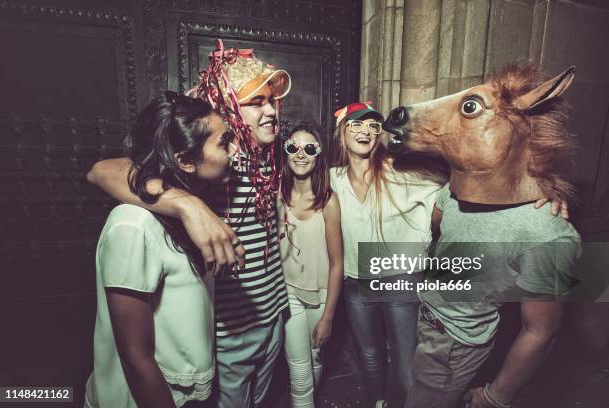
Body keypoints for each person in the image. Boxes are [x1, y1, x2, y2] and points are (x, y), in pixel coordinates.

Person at [86, 41, 292, 408]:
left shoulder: (273, 154)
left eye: (271, 101)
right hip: (231, 326)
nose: (271, 110)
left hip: (273, 310)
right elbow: (102, 171)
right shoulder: (212, 161)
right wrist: (188, 204)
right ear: (228, 108)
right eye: (255, 102)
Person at [84, 92, 237, 407]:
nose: (234, 151)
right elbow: (135, 357)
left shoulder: (187, 212)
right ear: (184, 161)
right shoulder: (132, 224)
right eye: (224, 143)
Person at [330, 102, 446, 408]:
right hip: (355, 281)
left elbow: (451, 187)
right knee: (369, 355)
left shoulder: (400, 170)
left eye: (372, 125)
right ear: (342, 132)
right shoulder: (333, 179)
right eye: (356, 124)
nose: (365, 131)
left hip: (399, 278)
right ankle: (377, 402)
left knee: (405, 363)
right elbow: (294, 193)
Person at [278, 122, 344, 408]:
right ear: (285, 152)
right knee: (299, 368)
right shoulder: (275, 195)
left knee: (315, 358)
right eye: (293, 147)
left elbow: (337, 263)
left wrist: (328, 316)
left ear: (319, 155)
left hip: (319, 296)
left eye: (309, 148)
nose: (300, 154)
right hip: (287, 292)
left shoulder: (328, 201)